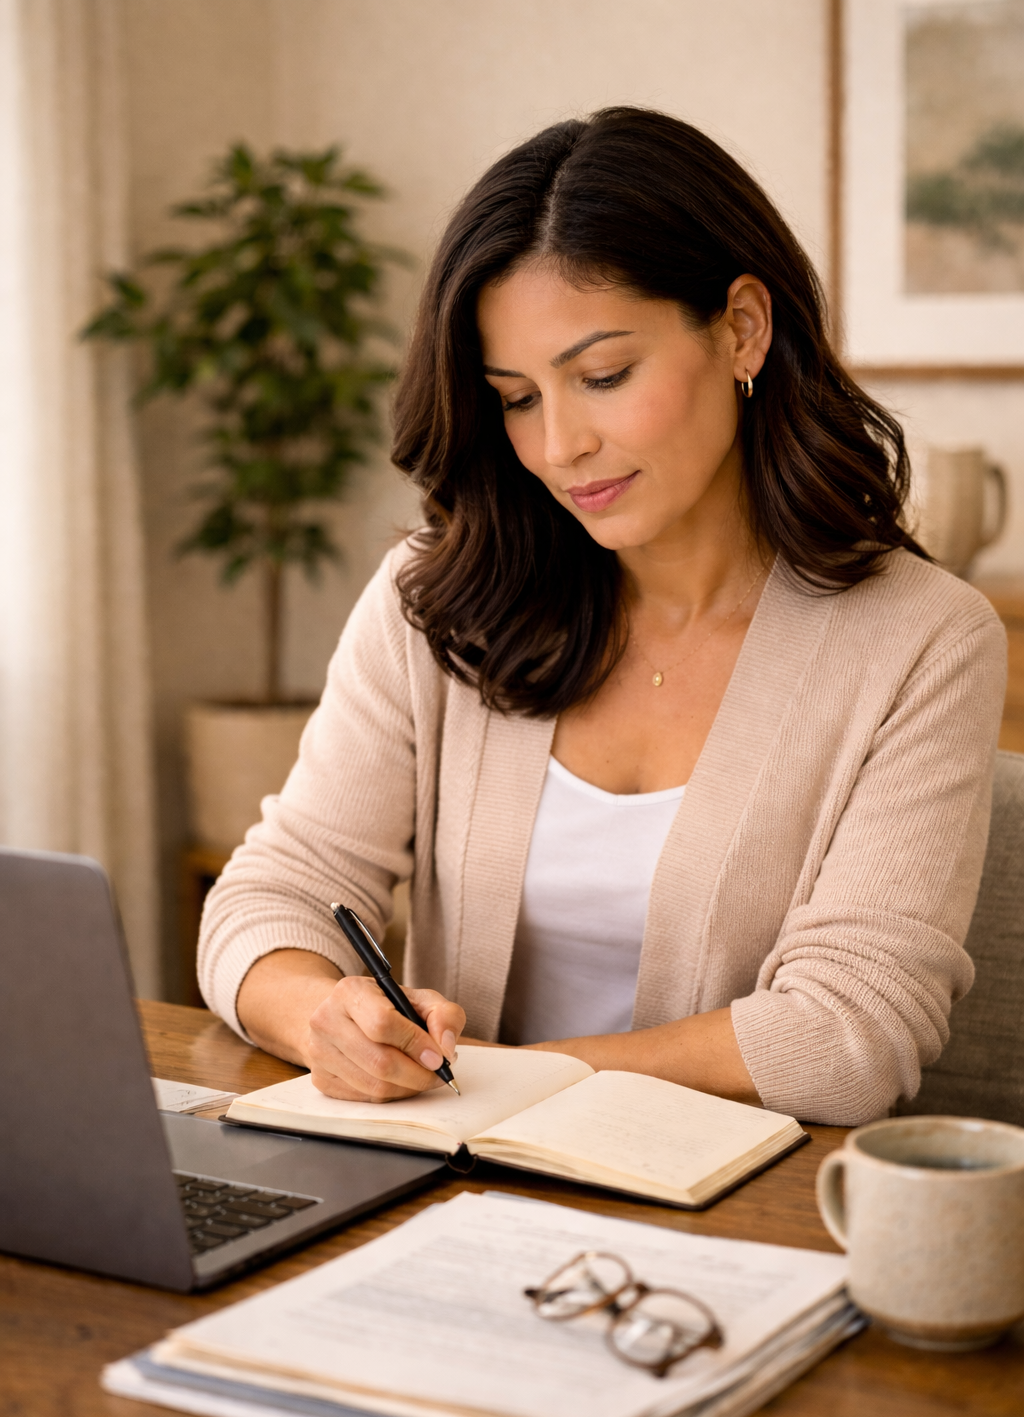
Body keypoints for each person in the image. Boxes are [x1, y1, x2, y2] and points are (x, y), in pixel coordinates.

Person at [198, 108, 1006, 1126]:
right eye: (516, 398)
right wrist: (323, 1014)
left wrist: (501, 1083)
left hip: (726, 1226)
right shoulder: (441, 596)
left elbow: (851, 1034)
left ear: (742, 328)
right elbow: (271, 893)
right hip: (442, 1195)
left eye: (603, 376)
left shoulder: (920, 640)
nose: (559, 446)